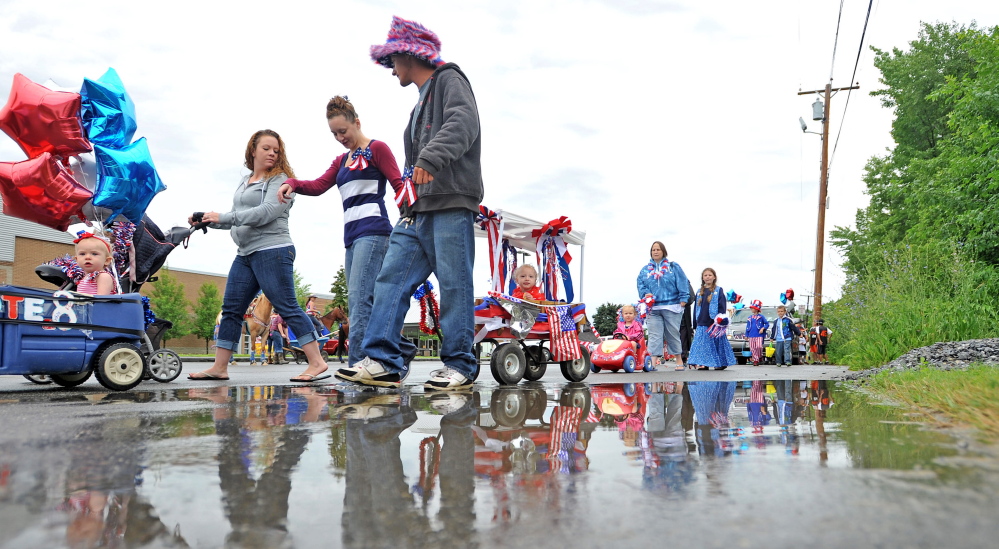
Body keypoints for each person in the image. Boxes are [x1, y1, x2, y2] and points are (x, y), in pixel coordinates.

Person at [336, 16, 483, 391]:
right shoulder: (418, 104)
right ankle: (384, 360)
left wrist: (430, 159)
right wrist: (406, 203)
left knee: (453, 283)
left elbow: (464, 123)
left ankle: (460, 365)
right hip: (416, 212)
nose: (391, 71)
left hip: (450, 203)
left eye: (392, 62)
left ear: (407, 55)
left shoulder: (450, 79)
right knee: (389, 281)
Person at [187, 129, 329, 383]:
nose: (272, 153)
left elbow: (265, 213)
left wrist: (224, 217)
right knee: (231, 309)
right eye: (266, 148)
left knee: (286, 306)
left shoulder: (282, 180)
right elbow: (235, 219)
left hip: (272, 250)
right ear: (253, 150)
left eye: (276, 150)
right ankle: (220, 367)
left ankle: (316, 363)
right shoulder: (245, 182)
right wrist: (206, 220)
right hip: (245, 253)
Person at [277, 96, 403, 367]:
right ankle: (392, 353)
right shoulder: (341, 161)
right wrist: (292, 183)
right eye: (334, 133)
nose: (339, 137)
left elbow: (398, 184)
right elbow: (318, 185)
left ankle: (359, 364)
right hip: (352, 239)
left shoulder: (378, 149)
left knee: (359, 301)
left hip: (374, 232)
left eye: (343, 131)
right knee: (359, 299)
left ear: (357, 123)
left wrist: (409, 219)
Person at [636, 241, 689, 370]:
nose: (655, 252)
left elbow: (682, 281)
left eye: (658, 249)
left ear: (663, 251)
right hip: (653, 307)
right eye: (653, 250)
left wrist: (684, 297)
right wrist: (645, 294)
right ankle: (652, 363)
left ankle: (679, 360)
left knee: (672, 333)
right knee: (654, 335)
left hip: (672, 305)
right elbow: (640, 283)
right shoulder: (645, 270)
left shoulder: (673, 267)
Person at [687, 267, 737, 371]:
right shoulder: (699, 292)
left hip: (714, 322)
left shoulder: (718, 290)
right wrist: (695, 323)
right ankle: (703, 363)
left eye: (710, 275)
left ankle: (720, 363)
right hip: (702, 320)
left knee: (717, 343)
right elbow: (696, 307)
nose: (707, 277)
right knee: (703, 344)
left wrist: (721, 320)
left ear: (714, 277)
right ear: (702, 278)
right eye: (705, 275)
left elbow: (722, 305)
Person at [745, 299, 769, 366]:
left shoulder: (761, 317)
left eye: (752, 308)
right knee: (752, 348)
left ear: (756, 309)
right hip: (751, 335)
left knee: (759, 347)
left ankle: (759, 356)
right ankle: (755, 359)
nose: (751, 309)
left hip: (759, 334)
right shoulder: (749, 317)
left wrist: (763, 328)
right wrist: (746, 335)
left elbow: (767, 324)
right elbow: (747, 327)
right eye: (751, 308)